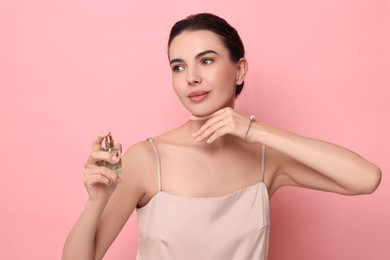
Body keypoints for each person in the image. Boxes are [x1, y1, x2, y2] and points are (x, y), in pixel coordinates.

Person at [62, 13, 382, 260]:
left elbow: (366, 179)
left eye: (207, 60)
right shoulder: (147, 158)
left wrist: (255, 130)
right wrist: (96, 202)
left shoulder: (266, 159)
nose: (192, 78)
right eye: (178, 67)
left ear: (240, 70)